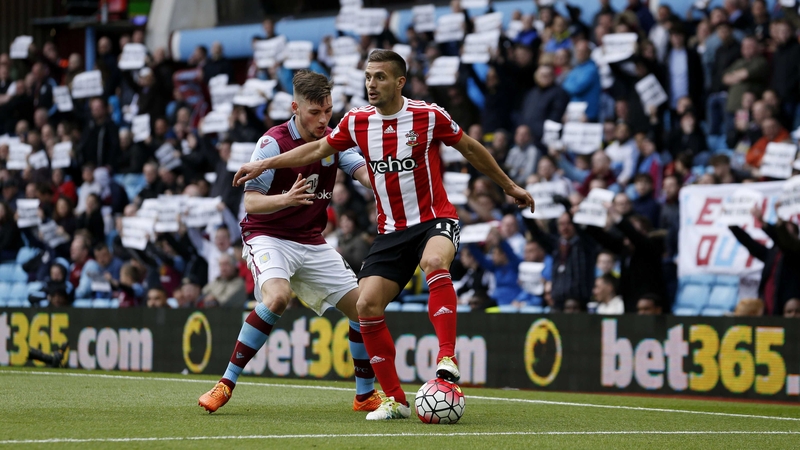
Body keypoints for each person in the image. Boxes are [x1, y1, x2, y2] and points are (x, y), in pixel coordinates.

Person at [232, 50, 534, 420]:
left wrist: (509, 186)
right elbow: (317, 149)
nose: (371, 84)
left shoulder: (427, 115)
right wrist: (265, 163)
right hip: (391, 231)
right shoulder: (357, 122)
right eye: (368, 77)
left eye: (379, 77)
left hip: (433, 219)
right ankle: (395, 400)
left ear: (399, 82)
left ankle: (447, 358)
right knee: (365, 306)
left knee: (434, 261)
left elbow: (470, 148)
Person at [198, 70, 380, 415]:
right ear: (295, 107)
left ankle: (364, 395)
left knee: (364, 309)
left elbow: (361, 172)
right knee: (278, 297)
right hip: (268, 235)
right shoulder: (272, 143)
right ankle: (225, 383)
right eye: (315, 112)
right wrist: (285, 199)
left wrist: (386, 179)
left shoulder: (334, 138)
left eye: (327, 110)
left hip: (310, 240)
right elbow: (250, 203)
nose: (323, 119)